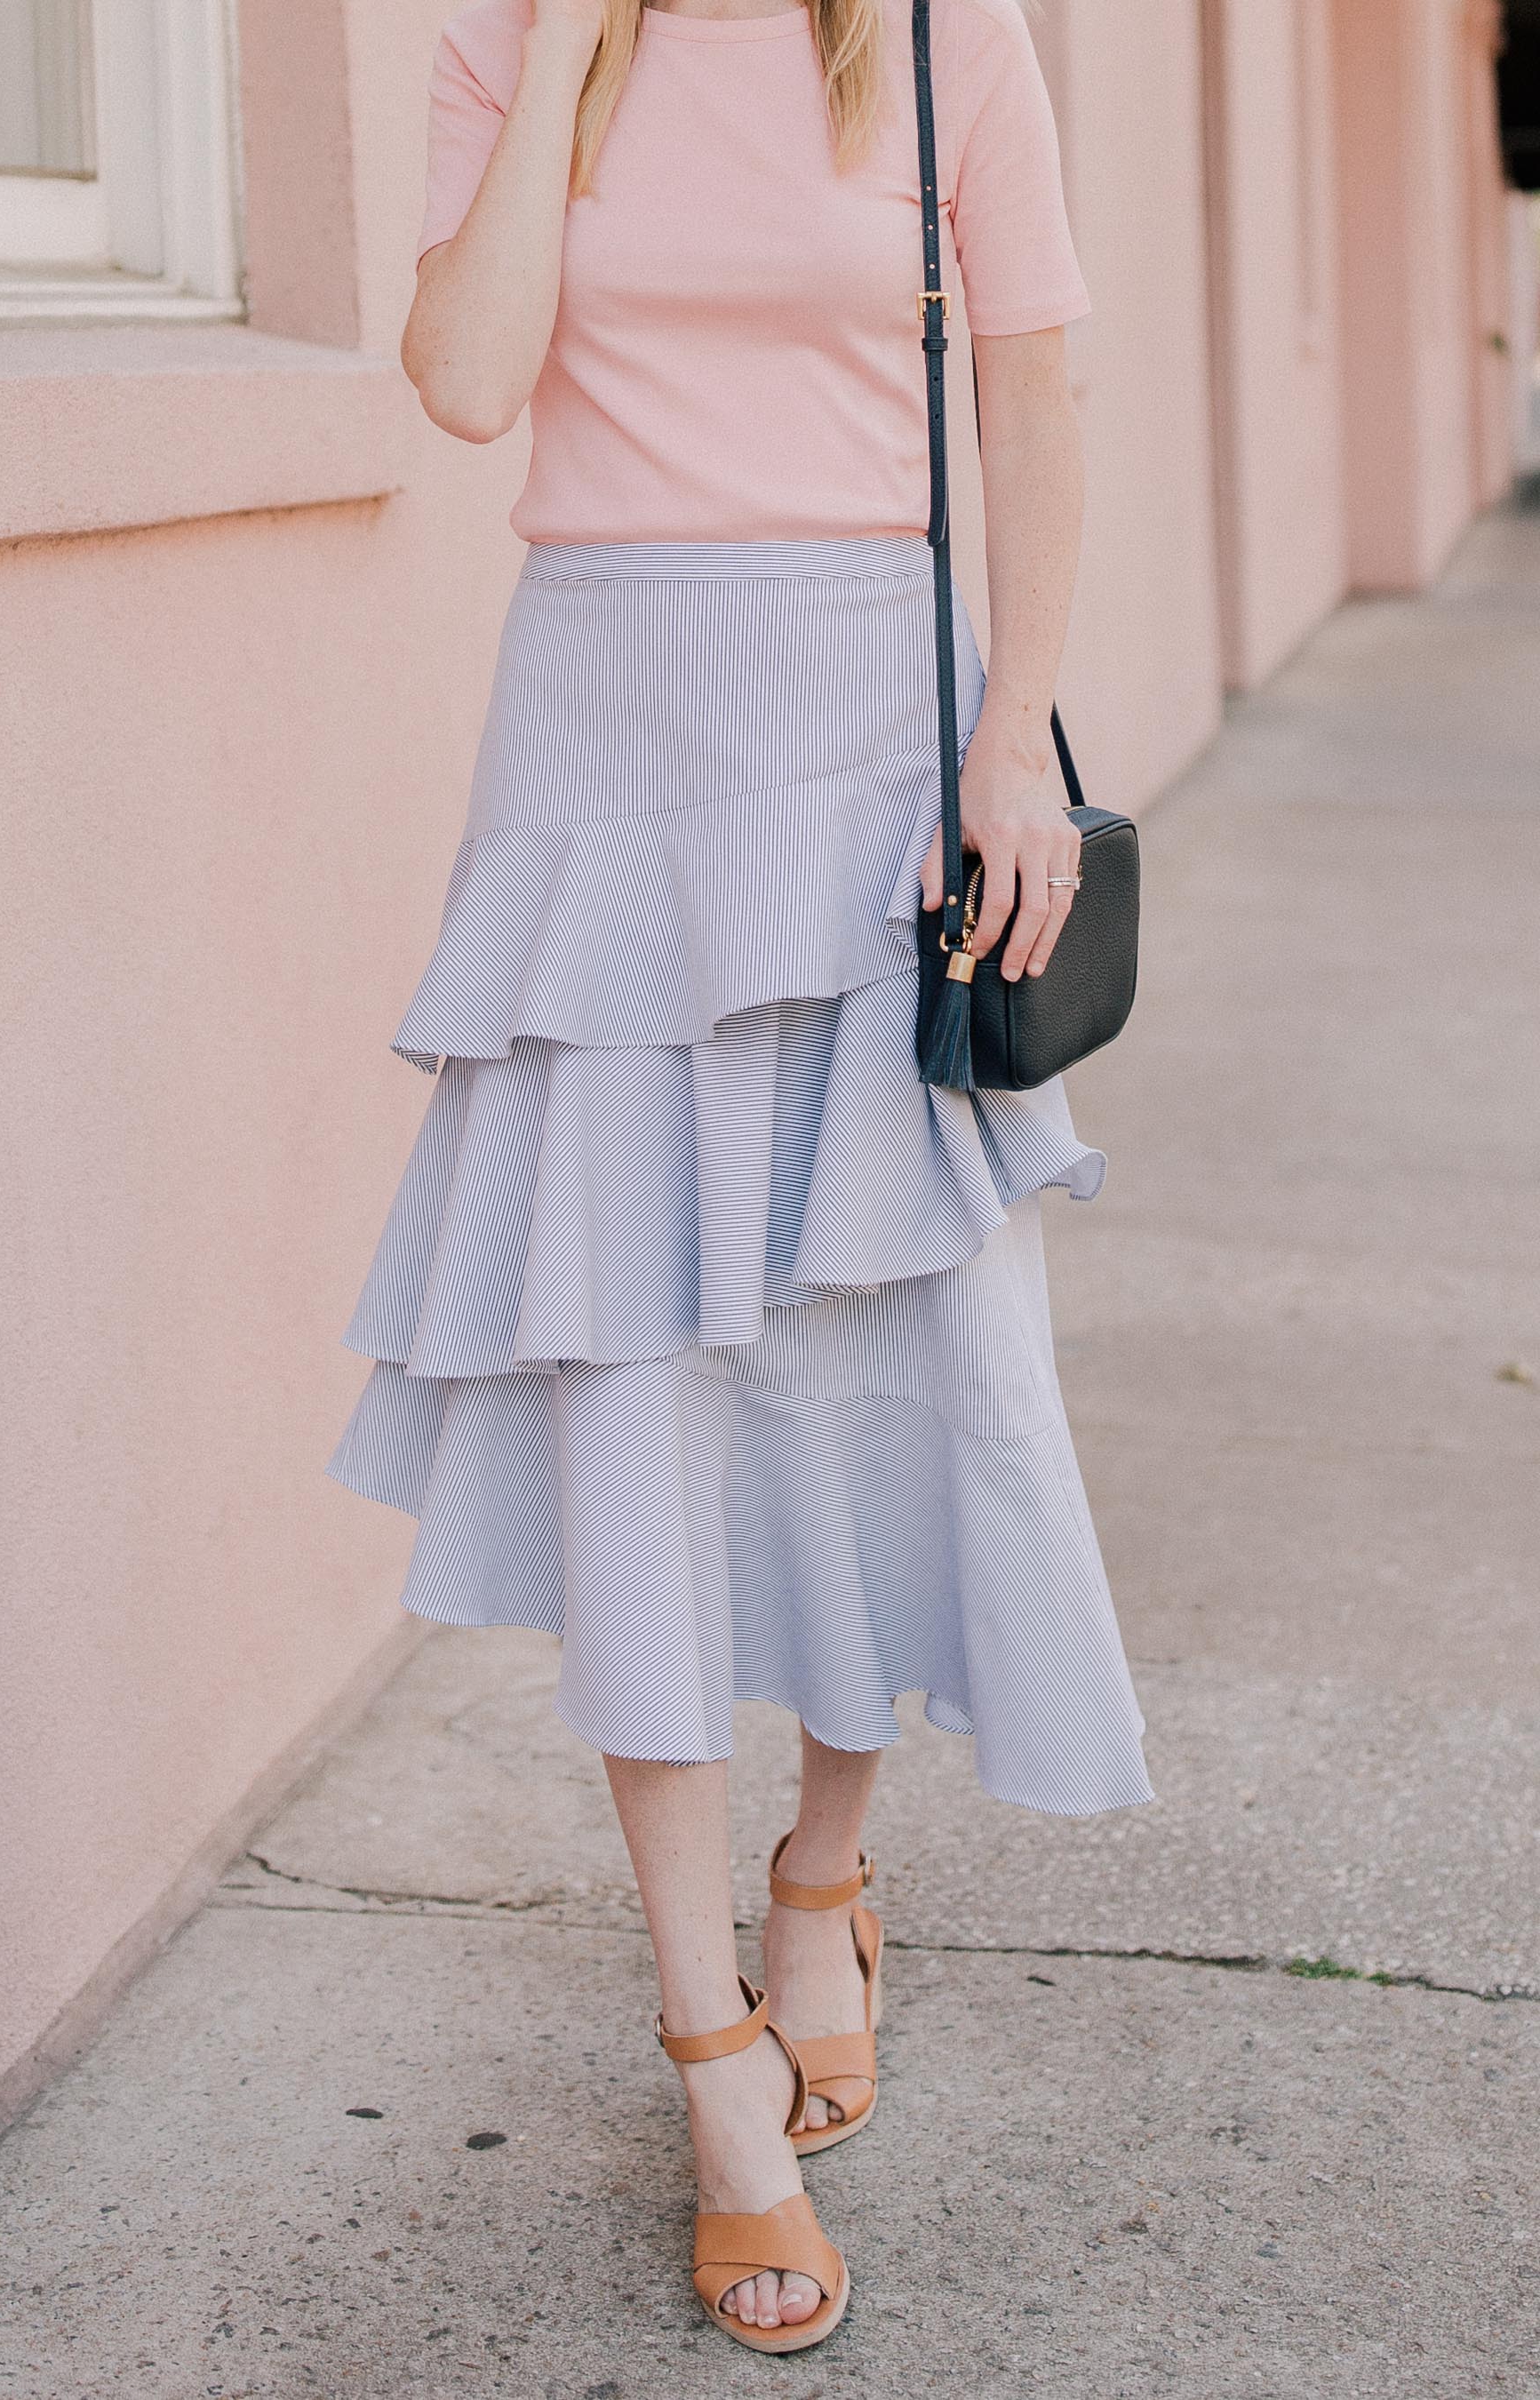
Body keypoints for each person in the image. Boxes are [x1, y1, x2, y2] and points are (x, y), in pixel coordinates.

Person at [328, 0, 1151, 2352]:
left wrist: (1013, 739)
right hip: (606, 751)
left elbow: (1038, 385)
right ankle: (712, 2057)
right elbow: (473, 385)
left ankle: (822, 1875)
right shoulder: (512, 42)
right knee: (636, 1394)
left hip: (866, 754)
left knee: (875, 1365)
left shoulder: (930, 28)